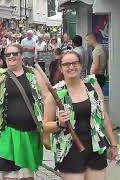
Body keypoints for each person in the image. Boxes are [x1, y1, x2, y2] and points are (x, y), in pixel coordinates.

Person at [43, 51, 118, 180]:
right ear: (61, 68)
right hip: (70, 150)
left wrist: (113, 143)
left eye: (74, 63)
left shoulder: (92, 84)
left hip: (95, 146)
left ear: (81, 65)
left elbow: (103, 115)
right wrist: (59, 123)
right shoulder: (55, 94)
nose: (71, 67)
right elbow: (45, 126)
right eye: (66, 64)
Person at [0, 44, 48, 180]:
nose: (11, 57)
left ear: (21, 56)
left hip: (30, 133)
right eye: (8, 54)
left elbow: (46, 98)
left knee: (27, 176)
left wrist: (47, 124)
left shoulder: (33, 74)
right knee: (9, 176)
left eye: (15, 53)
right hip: (7, 133)